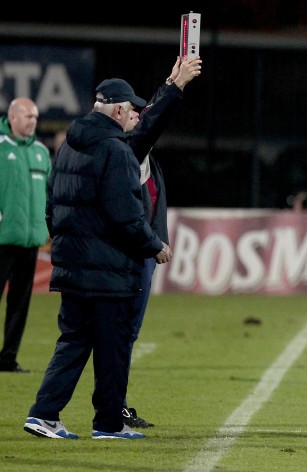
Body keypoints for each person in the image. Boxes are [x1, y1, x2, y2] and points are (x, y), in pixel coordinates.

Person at [23, 78, 172, 440]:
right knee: (113, 347)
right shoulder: (117, 150)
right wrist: (154, 245)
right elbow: (126, 215)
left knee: (73, 340)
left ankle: (43, 414)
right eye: (131, 109)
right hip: (108, 270)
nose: (133, 114)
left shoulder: (67, 147)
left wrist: (68, 247)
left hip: (72, 266)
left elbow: (51, 207)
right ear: (118, 110)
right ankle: (108, 423)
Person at [121, 55, 202, 428]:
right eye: (132, 111)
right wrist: (176, 86)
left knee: (124, 333)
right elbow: (152, 122)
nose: (139, 115)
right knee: (122, 333)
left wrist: (170, 79)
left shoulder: (143, 155)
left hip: (144, 255)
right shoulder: (128, 150)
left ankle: (111, 403)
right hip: (133, 255)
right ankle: (111, 406)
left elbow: (149, 119)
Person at [0, 98, 51, 373]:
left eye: (35, 116)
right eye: (28, 116)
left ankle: (7, 358)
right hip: (2, 239)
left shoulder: (41, 152)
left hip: (30, 240)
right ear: (12, 118)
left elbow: (50, 194)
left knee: (19, 304)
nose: (33, 121)